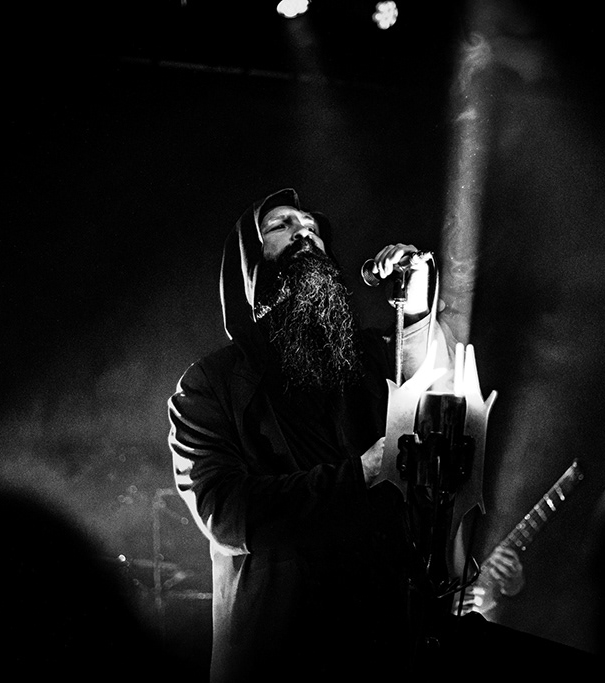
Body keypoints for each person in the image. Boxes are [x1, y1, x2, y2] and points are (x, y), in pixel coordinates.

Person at [168, 188, 465, 682]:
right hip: (281, 658)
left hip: (380, 648)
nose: (304, 232)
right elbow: (225, 512)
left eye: (312, 227)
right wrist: (359, 474)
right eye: (282, 225)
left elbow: (429, 387)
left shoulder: (366, 357)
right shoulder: (210, 384)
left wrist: (415, 307)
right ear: (248, 262)